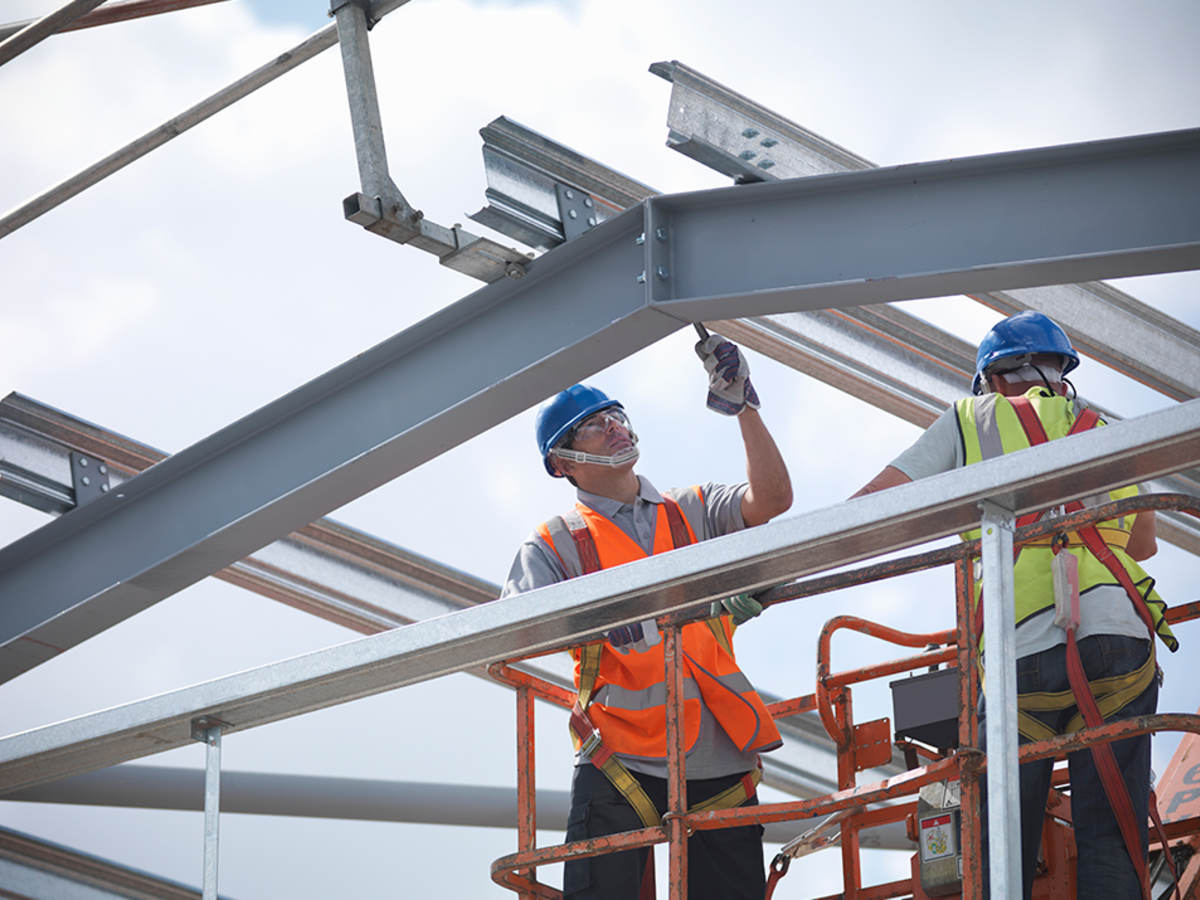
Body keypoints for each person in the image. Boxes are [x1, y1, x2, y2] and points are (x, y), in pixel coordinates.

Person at [853, 311, 1177, 899]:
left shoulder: (970, 420)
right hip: (1118, 642)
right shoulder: (1100, 428)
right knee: (1112, 836)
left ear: (992, 379)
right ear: (1059, 374)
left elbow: (877, 504)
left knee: (1001, 844)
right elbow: (1145, 542)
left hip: (1021, 651)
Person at [500, 334, 792, 900]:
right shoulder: (553, 544)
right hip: (620, 757)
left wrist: (744, 405)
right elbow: (515, 631)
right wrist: (595, 614)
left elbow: (773, 499)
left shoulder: (692, 509)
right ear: (562, 463)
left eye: (616, 416)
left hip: (717, 752)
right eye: (594, 424)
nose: (614, 427)